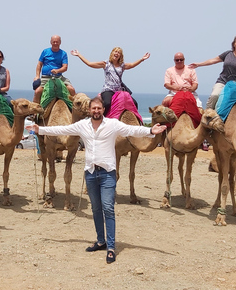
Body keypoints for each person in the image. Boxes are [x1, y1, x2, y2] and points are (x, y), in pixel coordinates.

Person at [29, 97, 166, 264]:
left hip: (108, 172)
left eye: (99, 108)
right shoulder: (82, 125)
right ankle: (101, 240)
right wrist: (40, 129)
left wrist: (151, 131)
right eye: (93, 108)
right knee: (95, 208)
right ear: (90, 110)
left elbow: (131, 129)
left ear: (103, 110)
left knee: (108, 208)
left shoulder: (112, 124)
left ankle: (110, 246)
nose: (96, 111)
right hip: (91, 173)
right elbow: (63, 128)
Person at [71, 47, 149, 115]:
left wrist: (142, 59)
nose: (117, 53)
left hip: (119, 90)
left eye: (119, 52)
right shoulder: (106, 64)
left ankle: (137, 123)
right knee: (107, 104)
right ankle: (101, 120)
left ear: (120, 56)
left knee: (134, 103)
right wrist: (79, 55)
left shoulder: (122, 65)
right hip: (108, 90)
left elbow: (132, 65)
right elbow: (90, 64)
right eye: (115, 51)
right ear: (112, 53)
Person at [33, 35, 75, 103]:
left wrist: (57, 71)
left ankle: (76, 109)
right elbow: (39, 64)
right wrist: (37, 76)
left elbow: (65, 67)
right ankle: (35, 111)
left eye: (57, 42)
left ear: (60, 42)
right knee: (37, 91)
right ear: (51, 42)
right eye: (54, 42)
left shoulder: (63, 53)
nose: (55, 43)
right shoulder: (45, 51)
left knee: (71, 89)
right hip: (46, 77)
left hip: (59, 77)